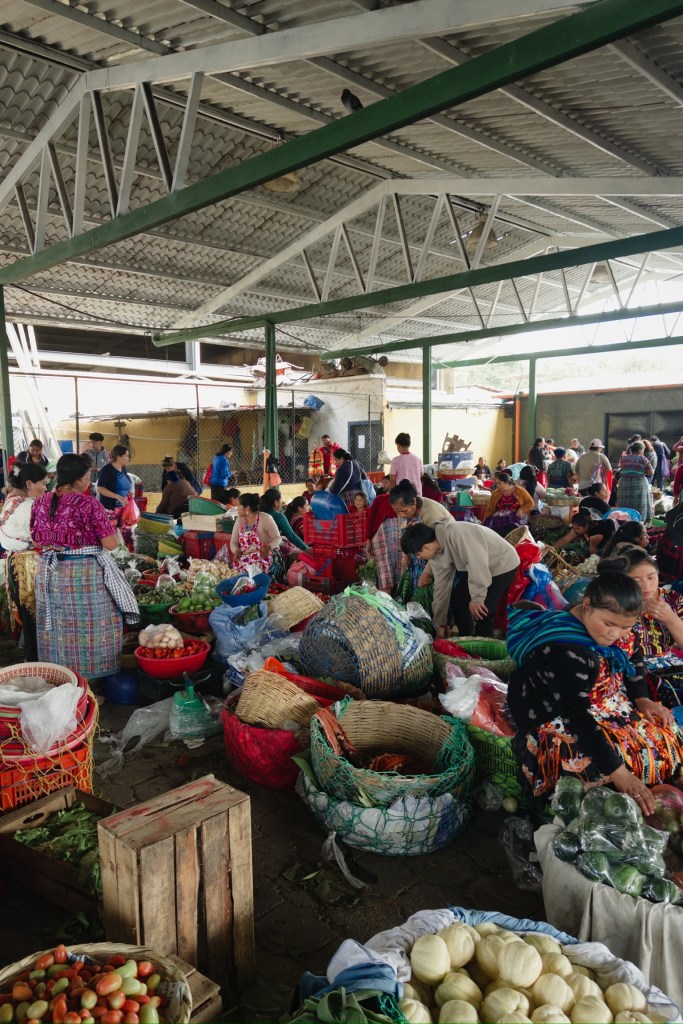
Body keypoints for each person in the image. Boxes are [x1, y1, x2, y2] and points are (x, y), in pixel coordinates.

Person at [506, 567, 683, 811]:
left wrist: (642, 699)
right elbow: (576, 717)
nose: (615, 634)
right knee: (590, 770)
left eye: (625, 627)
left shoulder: (616, 626)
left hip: (603, 703)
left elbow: (633, 655)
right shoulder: (566, 651)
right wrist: (619, 772)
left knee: (666, 733)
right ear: (587, 604)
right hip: (557, 715)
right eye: (609, 624)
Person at [30, 454, 138, 678]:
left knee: (58, 627)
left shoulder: (39, 502)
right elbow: (110, 544)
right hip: (83, 575)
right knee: (91, 625)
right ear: (79, 479)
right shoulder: (88, 504)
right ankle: (90, 679)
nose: (89, 481)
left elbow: (37, 542)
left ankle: (61, 677)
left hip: (49, 573)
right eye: (88, 476)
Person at [401, 519, 519, 638]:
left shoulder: (458, 534)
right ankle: (465, 637)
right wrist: (440, 623)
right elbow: (441, 588)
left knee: (482, 611)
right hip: (477, 567)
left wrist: (477, 598)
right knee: (458, 600)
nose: (419, 558)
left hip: (502, 563)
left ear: (425, 547)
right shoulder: (436, 556)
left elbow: (477, 564)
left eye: (417, 555)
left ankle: (483, 645)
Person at [609, 546, 683, 707]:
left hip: (669, 667)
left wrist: (670, 618)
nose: (646, 586)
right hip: (631, 669)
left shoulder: (673, 599)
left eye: (651, 577)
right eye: (636, 580)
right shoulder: (616, 602)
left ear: (658, 573)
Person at [0, 463, 48, 660]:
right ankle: (39, 663)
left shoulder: (13, 501)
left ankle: (33, 659)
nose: (45, 488)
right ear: (29, 483)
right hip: (28, 566)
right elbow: (40, 540)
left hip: (16, 563)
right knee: (36, 620)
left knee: (29, 620)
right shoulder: (29, 506)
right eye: (43, 483)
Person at [228, 492, 282, 576]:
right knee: (238, 569)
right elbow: (233, 542)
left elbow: (277, 538)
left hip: (265, 554)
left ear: (247, 508)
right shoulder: (239, 520)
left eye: (238, 506)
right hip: (247, 556)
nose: (236, 508)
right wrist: (236, 551)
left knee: (256, 568)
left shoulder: (265, 518)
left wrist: (268, 547)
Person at [260, 487, 310, 553]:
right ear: (276, 502)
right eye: (280, 499)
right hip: (270, 550)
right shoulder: (278, 516)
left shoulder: (258, 514)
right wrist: (306, 548)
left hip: (256, 547)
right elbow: (291, 535)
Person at [616, 440, 653, 523]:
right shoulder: (643, 459)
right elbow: (651, 472)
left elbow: (621, 470)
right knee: (640, 504)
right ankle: (639, 522)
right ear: (640, 450)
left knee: (625, 503)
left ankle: (624, 521)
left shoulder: (623, 458)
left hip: (624, 483)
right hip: (639, 483)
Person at [96, 444, 133, 512]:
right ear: (118, 457)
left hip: (122, 509)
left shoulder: (123, 469)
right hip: (110, 509)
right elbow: (100, 488)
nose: (128, 458)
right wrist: (117, 496)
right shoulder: (107, 470)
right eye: (126, 456)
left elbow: (123, 485)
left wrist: (128, 492)